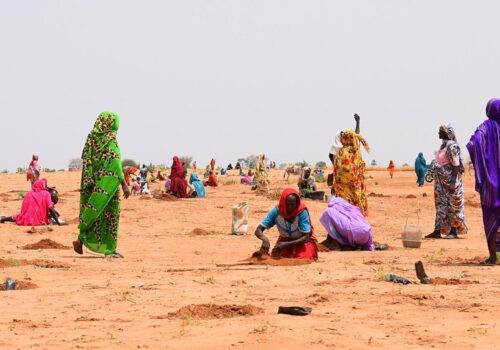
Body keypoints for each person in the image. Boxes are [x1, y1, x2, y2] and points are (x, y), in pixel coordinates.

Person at [73, 112, 130, 258]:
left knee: (92, 212)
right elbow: (116, 165)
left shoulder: (91, 138)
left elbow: (86, 159)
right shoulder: (110, 140)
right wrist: (124, 184)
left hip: (91, 183)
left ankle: (81, 238)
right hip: (106, 185)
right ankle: (110, 250)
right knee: (111, 215)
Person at [467, 98, 500, 265]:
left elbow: (473, 143)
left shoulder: (486, 127)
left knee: (490, 218)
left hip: (491, 183)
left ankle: (493, 256)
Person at [425, 124, 467, 239]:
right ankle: (437, 230)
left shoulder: (452, 147)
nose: (438, 133)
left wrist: (453, 182)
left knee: (453, 206)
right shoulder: (443, 146)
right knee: (441, 206)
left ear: (447, 133)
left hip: (451, 182)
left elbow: (456, 166)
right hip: (441, 183)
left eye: (441, 131)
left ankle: (453, 231)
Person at [255, 188, 318, 260]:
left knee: (303, 258)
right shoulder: (276, 211)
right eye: (287, 204)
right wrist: (265, 240)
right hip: (284, 241)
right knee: (276, 257)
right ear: (282, 203)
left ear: (297, 204)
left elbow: (306, 237)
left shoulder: (301, 212)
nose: (290, 207)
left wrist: (286, 244)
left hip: (301, 242)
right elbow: (258, 230)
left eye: (292, 205)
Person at [333, 130, 369, 216]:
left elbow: (340, 168)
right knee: (357, 206)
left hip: (344, 187)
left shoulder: (342, 152)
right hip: (356, 185)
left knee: (346, 208)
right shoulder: (356, 150)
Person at [329, 114, 360, 194]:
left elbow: (355, 138)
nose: (347, 139)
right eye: (344, 137)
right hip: (345, 183)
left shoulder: (348, 149)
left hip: (349, 183)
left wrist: (357, 123)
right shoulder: (339, 150)